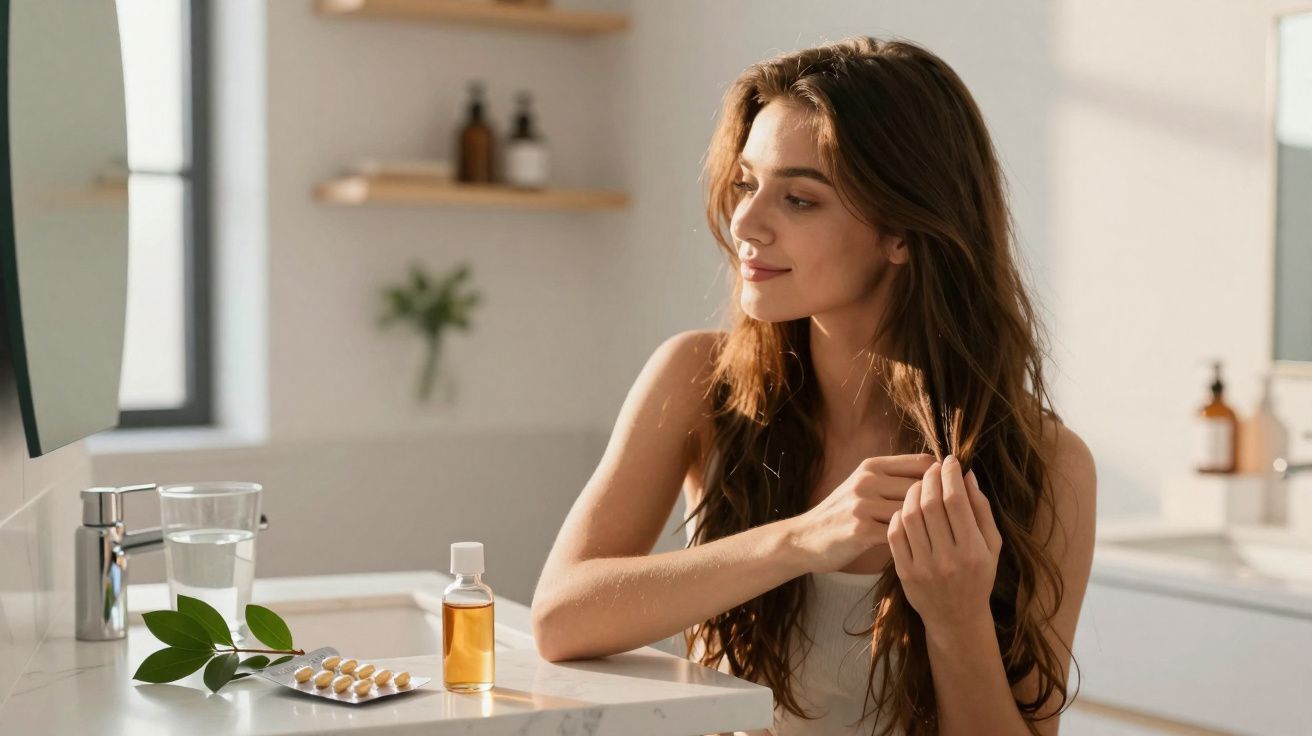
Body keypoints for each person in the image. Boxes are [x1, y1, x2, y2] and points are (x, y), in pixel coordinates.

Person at [531, 35, 1097, 736]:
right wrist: (800, 539)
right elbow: (560, 616)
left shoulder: (1045, 464)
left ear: (902, 230)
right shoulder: (699, 383)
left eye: (799, 199)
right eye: (746, 183)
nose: (744, 222)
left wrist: (956, 619)